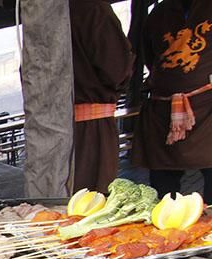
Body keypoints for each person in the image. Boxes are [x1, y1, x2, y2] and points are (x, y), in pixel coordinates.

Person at [131, 0, 212, 199]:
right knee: (164, 186)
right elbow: (150, 57)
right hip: (163, 109)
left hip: (206, 106)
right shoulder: (159, 12)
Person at [70, 0, 134, 192]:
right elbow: (116, 67)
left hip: (50, 127)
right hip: (90, 125)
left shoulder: (44, 13)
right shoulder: (92, 8)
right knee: (92, 194)